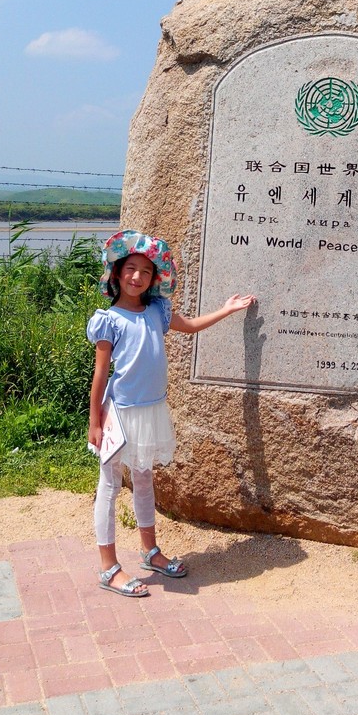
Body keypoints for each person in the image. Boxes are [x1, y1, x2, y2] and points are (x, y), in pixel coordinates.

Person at [87, 229, 254, 597]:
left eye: (145, 272)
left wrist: (226, 309)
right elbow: (101, 375)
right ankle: (108, 567)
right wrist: (94, 421)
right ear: (116, 274)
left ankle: (151, 551)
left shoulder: (157, 312)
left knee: (145, 481)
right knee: (110, 486)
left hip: (150, 411)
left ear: (154, 279)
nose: (137, 277)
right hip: (119, 414)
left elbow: (190, 326)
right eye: (130, 269)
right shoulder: (109, 320)